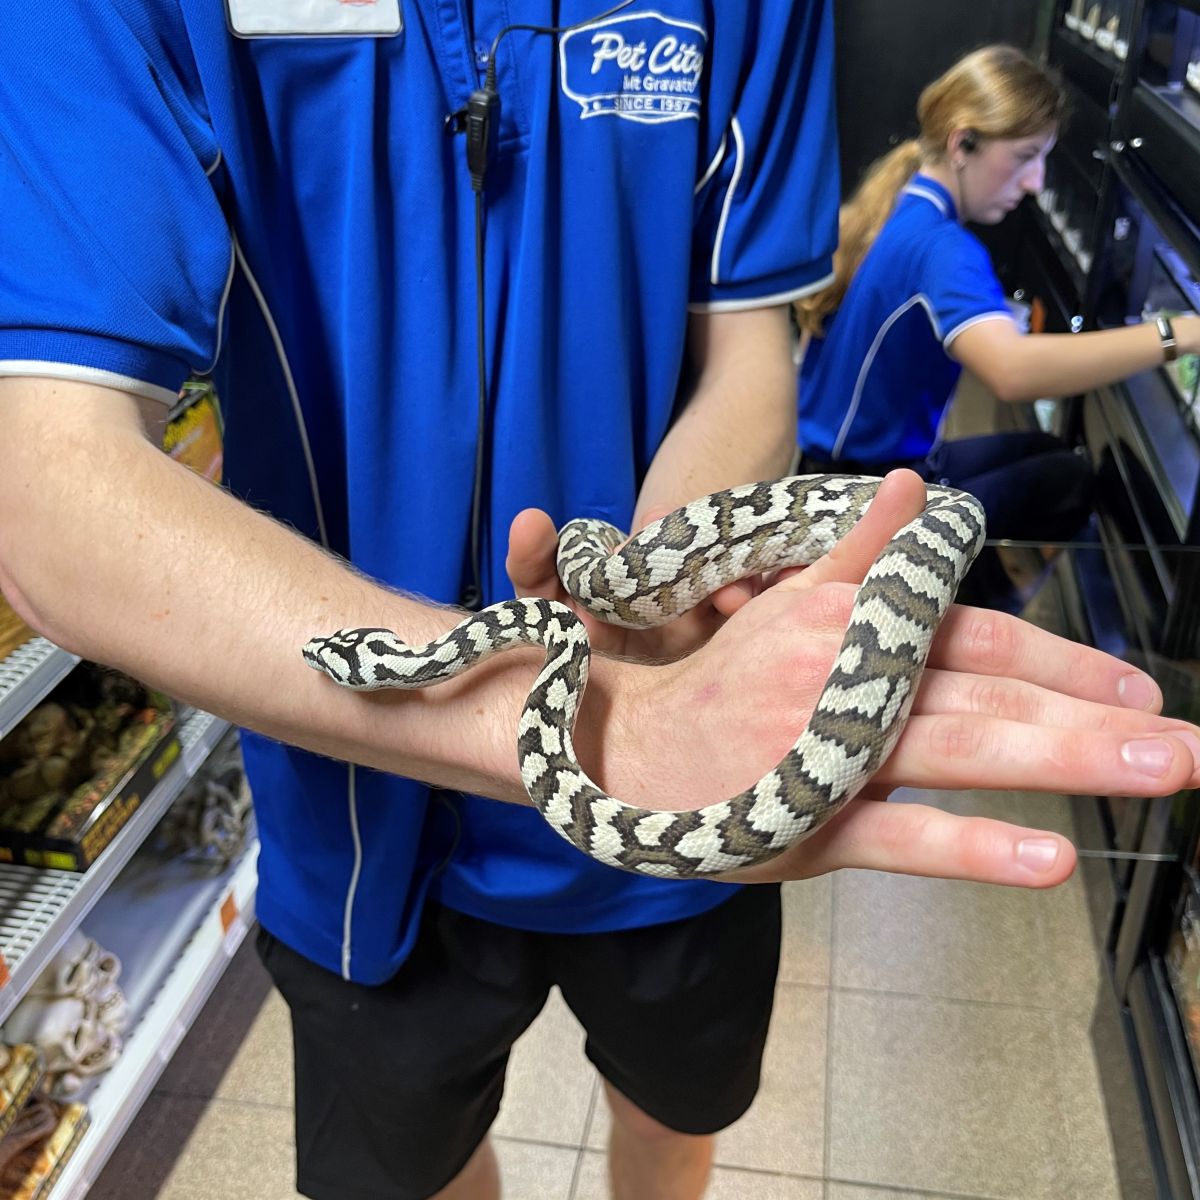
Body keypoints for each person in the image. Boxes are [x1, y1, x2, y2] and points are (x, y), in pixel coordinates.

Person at [1, 11, 1199, 1200]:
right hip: (356, 828)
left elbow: (750, 357)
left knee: (677, 1106)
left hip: (700, 777)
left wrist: (646, 596)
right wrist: (621, 720)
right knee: (414, 1154)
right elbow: (42, 490)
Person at [794, 44, 1200, 557]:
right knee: (1068, 479)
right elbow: (1013, 372)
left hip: (825, 470)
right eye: (1026, 157)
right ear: (963, 144)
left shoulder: (899, 204)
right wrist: (1179, 334)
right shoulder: (944, 248)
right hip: (866, 494)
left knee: (1049, 453)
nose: (1035, 182)